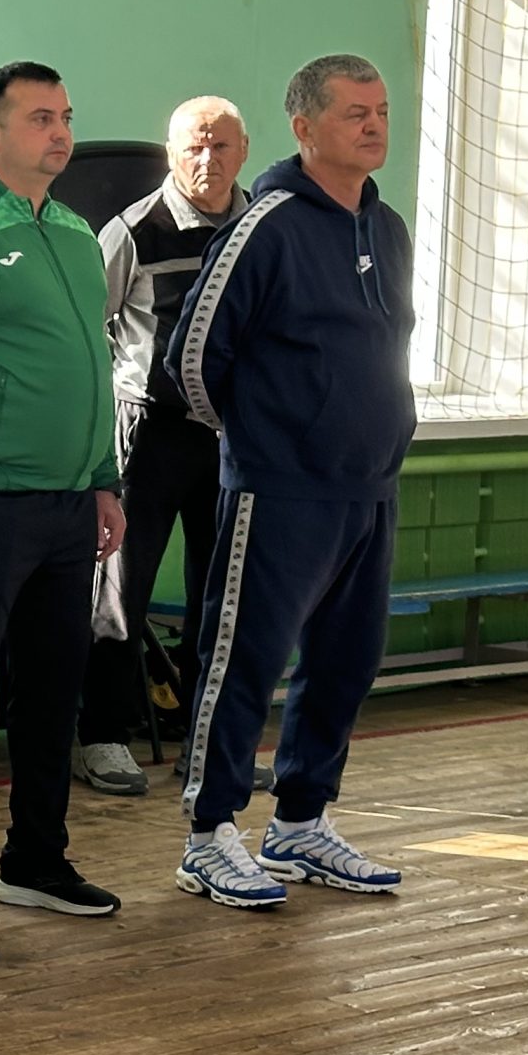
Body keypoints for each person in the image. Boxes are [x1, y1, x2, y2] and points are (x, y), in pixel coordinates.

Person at [168, 53, 415, 909]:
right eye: (355, 113)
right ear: (305, 128)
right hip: (279, 491)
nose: (374, 126)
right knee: (244, 662)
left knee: (346, 664)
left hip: (368, 490)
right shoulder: (267, 224)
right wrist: (264, 440)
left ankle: (300, 823)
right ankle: (209, 836)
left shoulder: (387, 227)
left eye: (381, 111)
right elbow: (192, 356)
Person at [0, 64, 126, 935]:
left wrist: (104, 478)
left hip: (70, 506)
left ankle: (35, 858)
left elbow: (93, 365)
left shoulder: (77, 234)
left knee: (53, 693)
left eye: (66, 116)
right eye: (41, 118)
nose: (62, 132)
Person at [73, 97, 251, 797]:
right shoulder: (131, 231)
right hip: (147, 434)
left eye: (221, 146)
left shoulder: (260, 227)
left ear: (243, 151)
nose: (208, 160)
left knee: (223, 596)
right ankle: (103, 738)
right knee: (121, 592)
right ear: (171, 154)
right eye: (193, 147)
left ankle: (206, 745)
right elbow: (87, 333)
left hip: (231, 437)